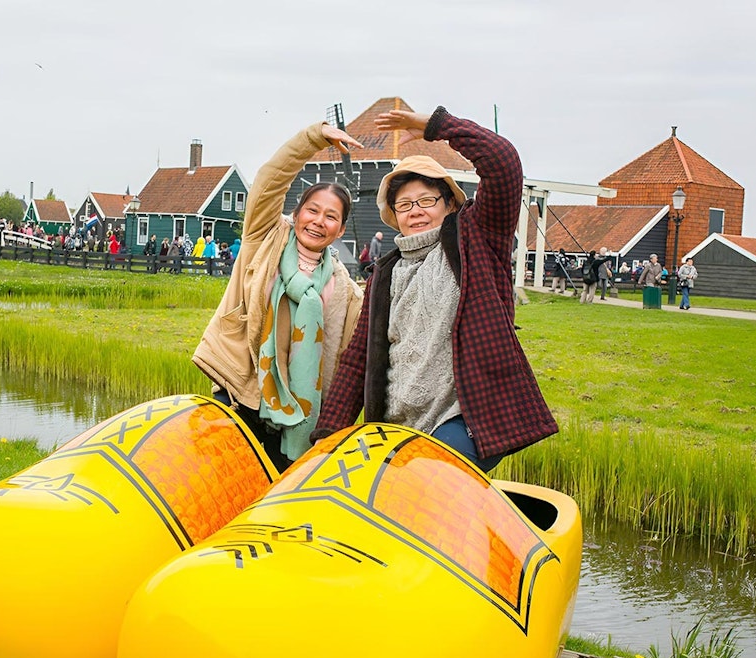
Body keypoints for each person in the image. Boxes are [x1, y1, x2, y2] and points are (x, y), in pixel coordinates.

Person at [313, 106, 557, 472]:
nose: (416, 211)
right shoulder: (386, 271)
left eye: (427, 200)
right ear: (394, 215)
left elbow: (503, 163)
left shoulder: (476, 238)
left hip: (464, 420)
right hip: (397, 425)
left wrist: (435, 126)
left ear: (450, 204)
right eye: (405, 204)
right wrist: (327, 438)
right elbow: (357, 359)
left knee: (422, 480)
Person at [192, 120, 365, 471]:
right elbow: (270, 180)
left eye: (331, 217)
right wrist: (312, 139)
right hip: (242, 392)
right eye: (312, 210)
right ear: (297, 213)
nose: (318, 221)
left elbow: (345, 358)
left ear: (341, 229)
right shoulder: (265, 238)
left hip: (298, 417)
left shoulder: (345, 289)